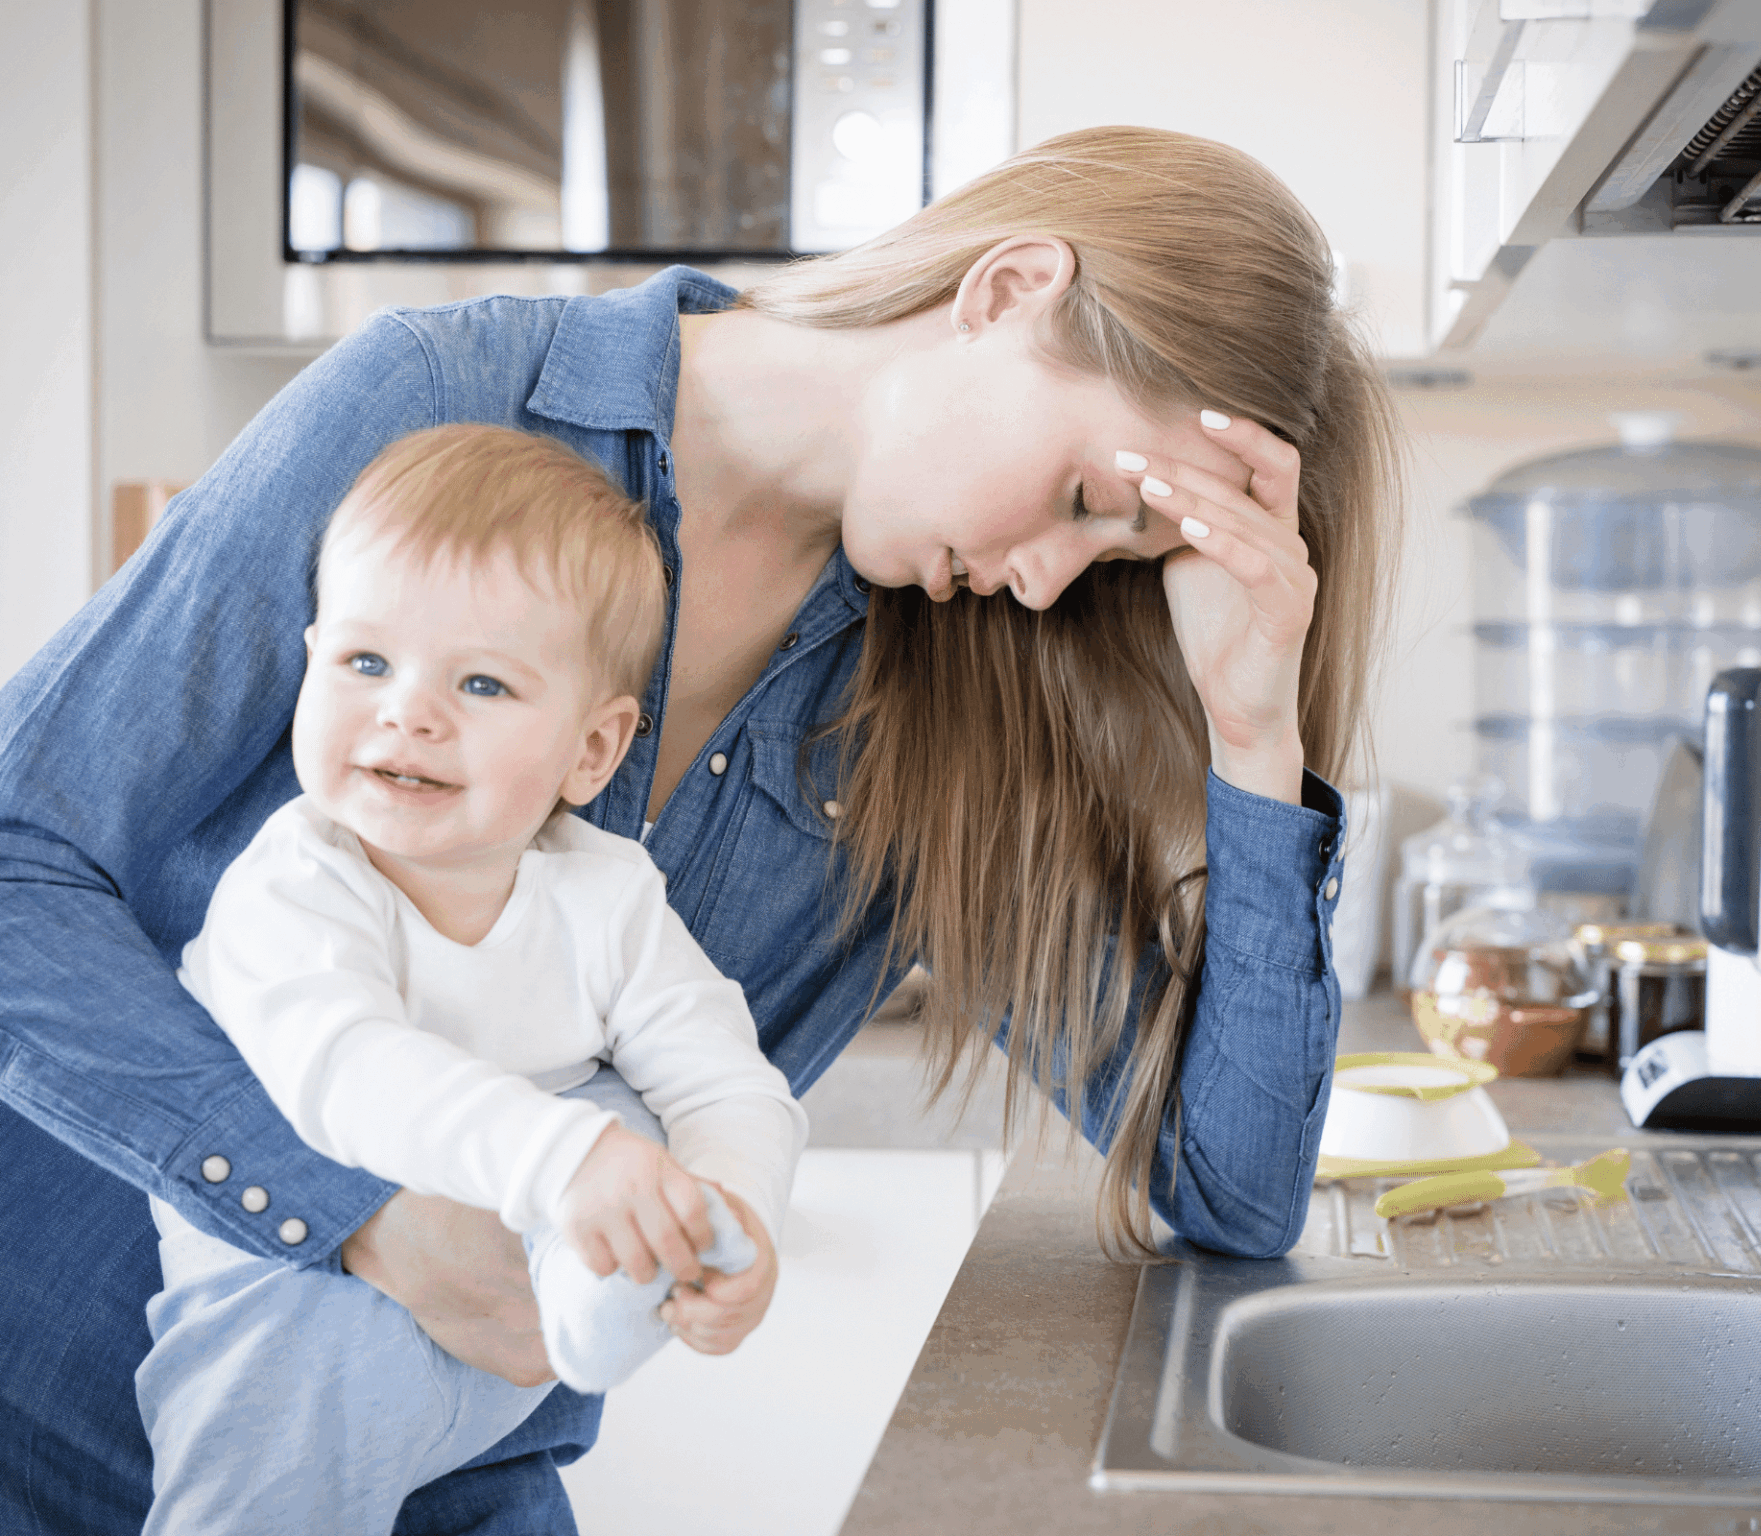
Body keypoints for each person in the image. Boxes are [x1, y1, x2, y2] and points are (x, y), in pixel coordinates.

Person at [0, 126, 1401, 1532]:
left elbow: (1228, 1187)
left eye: (1111, 556)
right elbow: (17, 858)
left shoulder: (965, 703)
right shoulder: (446, 402)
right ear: (1009, 288)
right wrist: (362, 1220)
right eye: (1089, 501)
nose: (1047, 583)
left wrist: (1252, 732)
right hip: (46, 1430)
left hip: (456, 1490)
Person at [136, 424, 805, 1535]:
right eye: (364, 663)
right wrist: (569, 1164)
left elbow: (726, 1079)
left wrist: (726, 1215)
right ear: (312, 664)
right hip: (292, 1295)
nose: (408, 710)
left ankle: (606, 1286)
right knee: (265, 1480)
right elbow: (346, 1075)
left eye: (483, 682)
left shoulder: (606, 896)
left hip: (501, 1316)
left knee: (624, 1107)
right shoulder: (296, 882)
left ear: (592, 752)